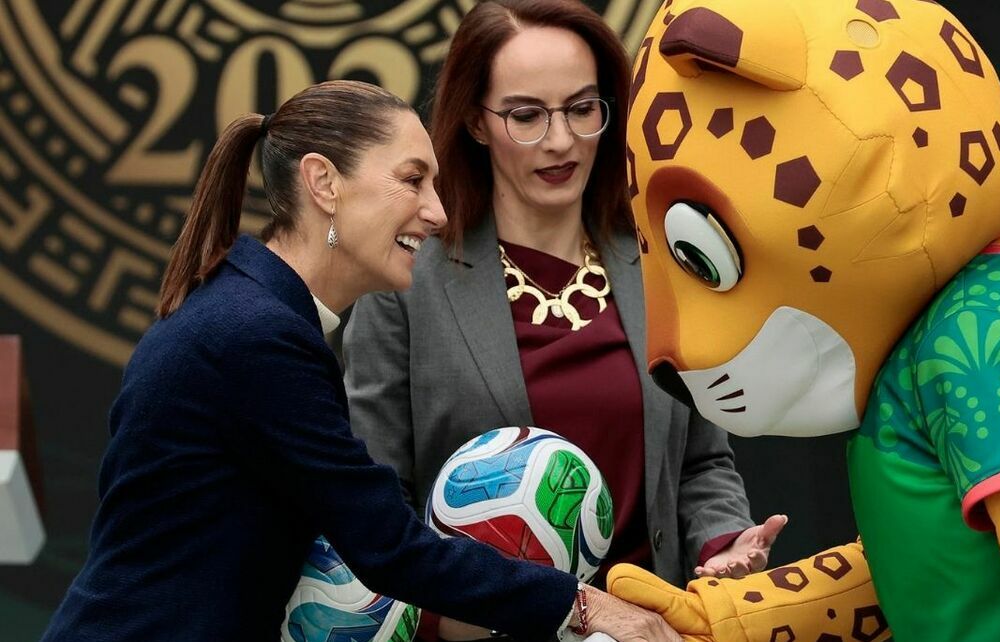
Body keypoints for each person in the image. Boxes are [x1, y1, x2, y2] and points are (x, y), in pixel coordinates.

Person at [40, 80, 678, 642]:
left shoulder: (246, 312)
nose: (437, 211)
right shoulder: (255, 336)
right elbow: (388, 547)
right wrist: (585, 606)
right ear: (323, 183)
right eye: (411, 179)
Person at [343, 2, 785, 639]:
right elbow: (377, 507)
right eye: (525, 115)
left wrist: (722, 549)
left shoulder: (658, 256)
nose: (559, 140)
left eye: (582, 109)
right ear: (475, 120)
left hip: (656, 627)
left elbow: (699, 463)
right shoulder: (406, 282)